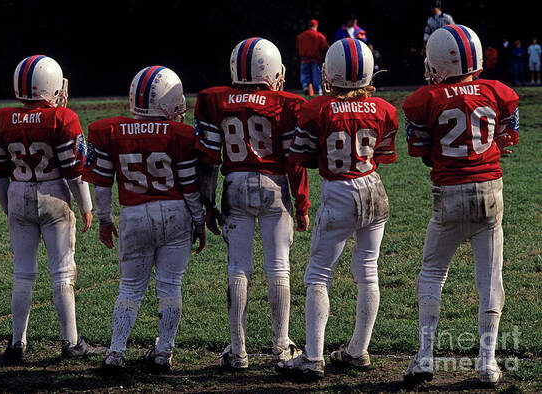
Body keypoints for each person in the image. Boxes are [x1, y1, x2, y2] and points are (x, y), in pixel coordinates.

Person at [403, 24, 519, 387]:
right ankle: (487, 362)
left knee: (433, 273)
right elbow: (506, 138)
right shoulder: (499, 92)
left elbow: (422, 152)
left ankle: (424, 357)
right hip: (489, 190)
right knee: (489, 277)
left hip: (449, 194)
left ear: (436, 62)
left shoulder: (424, 100)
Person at [275, 38, 398, 380]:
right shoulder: (385, 109)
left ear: (330, 73)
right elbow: (383, 155)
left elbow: (299, 155)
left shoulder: (316, 108)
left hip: (339, 189)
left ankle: (313, 358)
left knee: (317, 274)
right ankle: (358, 349)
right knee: (368, 269)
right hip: (374, 188)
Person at [194, 37, 311, 370]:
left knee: (238, 269)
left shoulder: (217, 100)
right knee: (279, 267)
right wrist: (301, 204)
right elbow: (295, 160)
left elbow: (208, 158)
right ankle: (281, 347)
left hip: (234, 186)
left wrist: (207, 203)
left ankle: (238, 351)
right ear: (272, 69)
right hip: (274, 185)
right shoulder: (286, 102)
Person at [83, 66, 207, 371]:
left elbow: (101, 182)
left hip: (134, 214)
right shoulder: (181, 134)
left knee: (129, 287)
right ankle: (164, 352)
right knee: (170, 285)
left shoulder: (109, 130)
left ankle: (115, 352)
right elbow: (190, 186)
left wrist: (103, 218)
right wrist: (200, 221)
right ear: (164, 104)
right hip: (175, 212)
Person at [0, 55, 105, 363]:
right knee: (63, 271)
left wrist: (7, 206)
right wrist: (86, 206)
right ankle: (71, 342)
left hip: (17, 192)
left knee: (23, 273)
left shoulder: (0, 119)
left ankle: (16, 344)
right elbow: (74, 172)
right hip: (53, 194)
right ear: (50, 86)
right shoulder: (62, 119)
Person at [296, 19, 329, 95]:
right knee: (316, 76)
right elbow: (325, 47)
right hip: (315, 59)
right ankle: (318, 91)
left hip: (304, 59)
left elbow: (297, 46)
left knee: (304, 74)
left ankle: (305, 86)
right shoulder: (319, 36)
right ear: (316, 26)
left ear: (309, 26)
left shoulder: (301, 36)